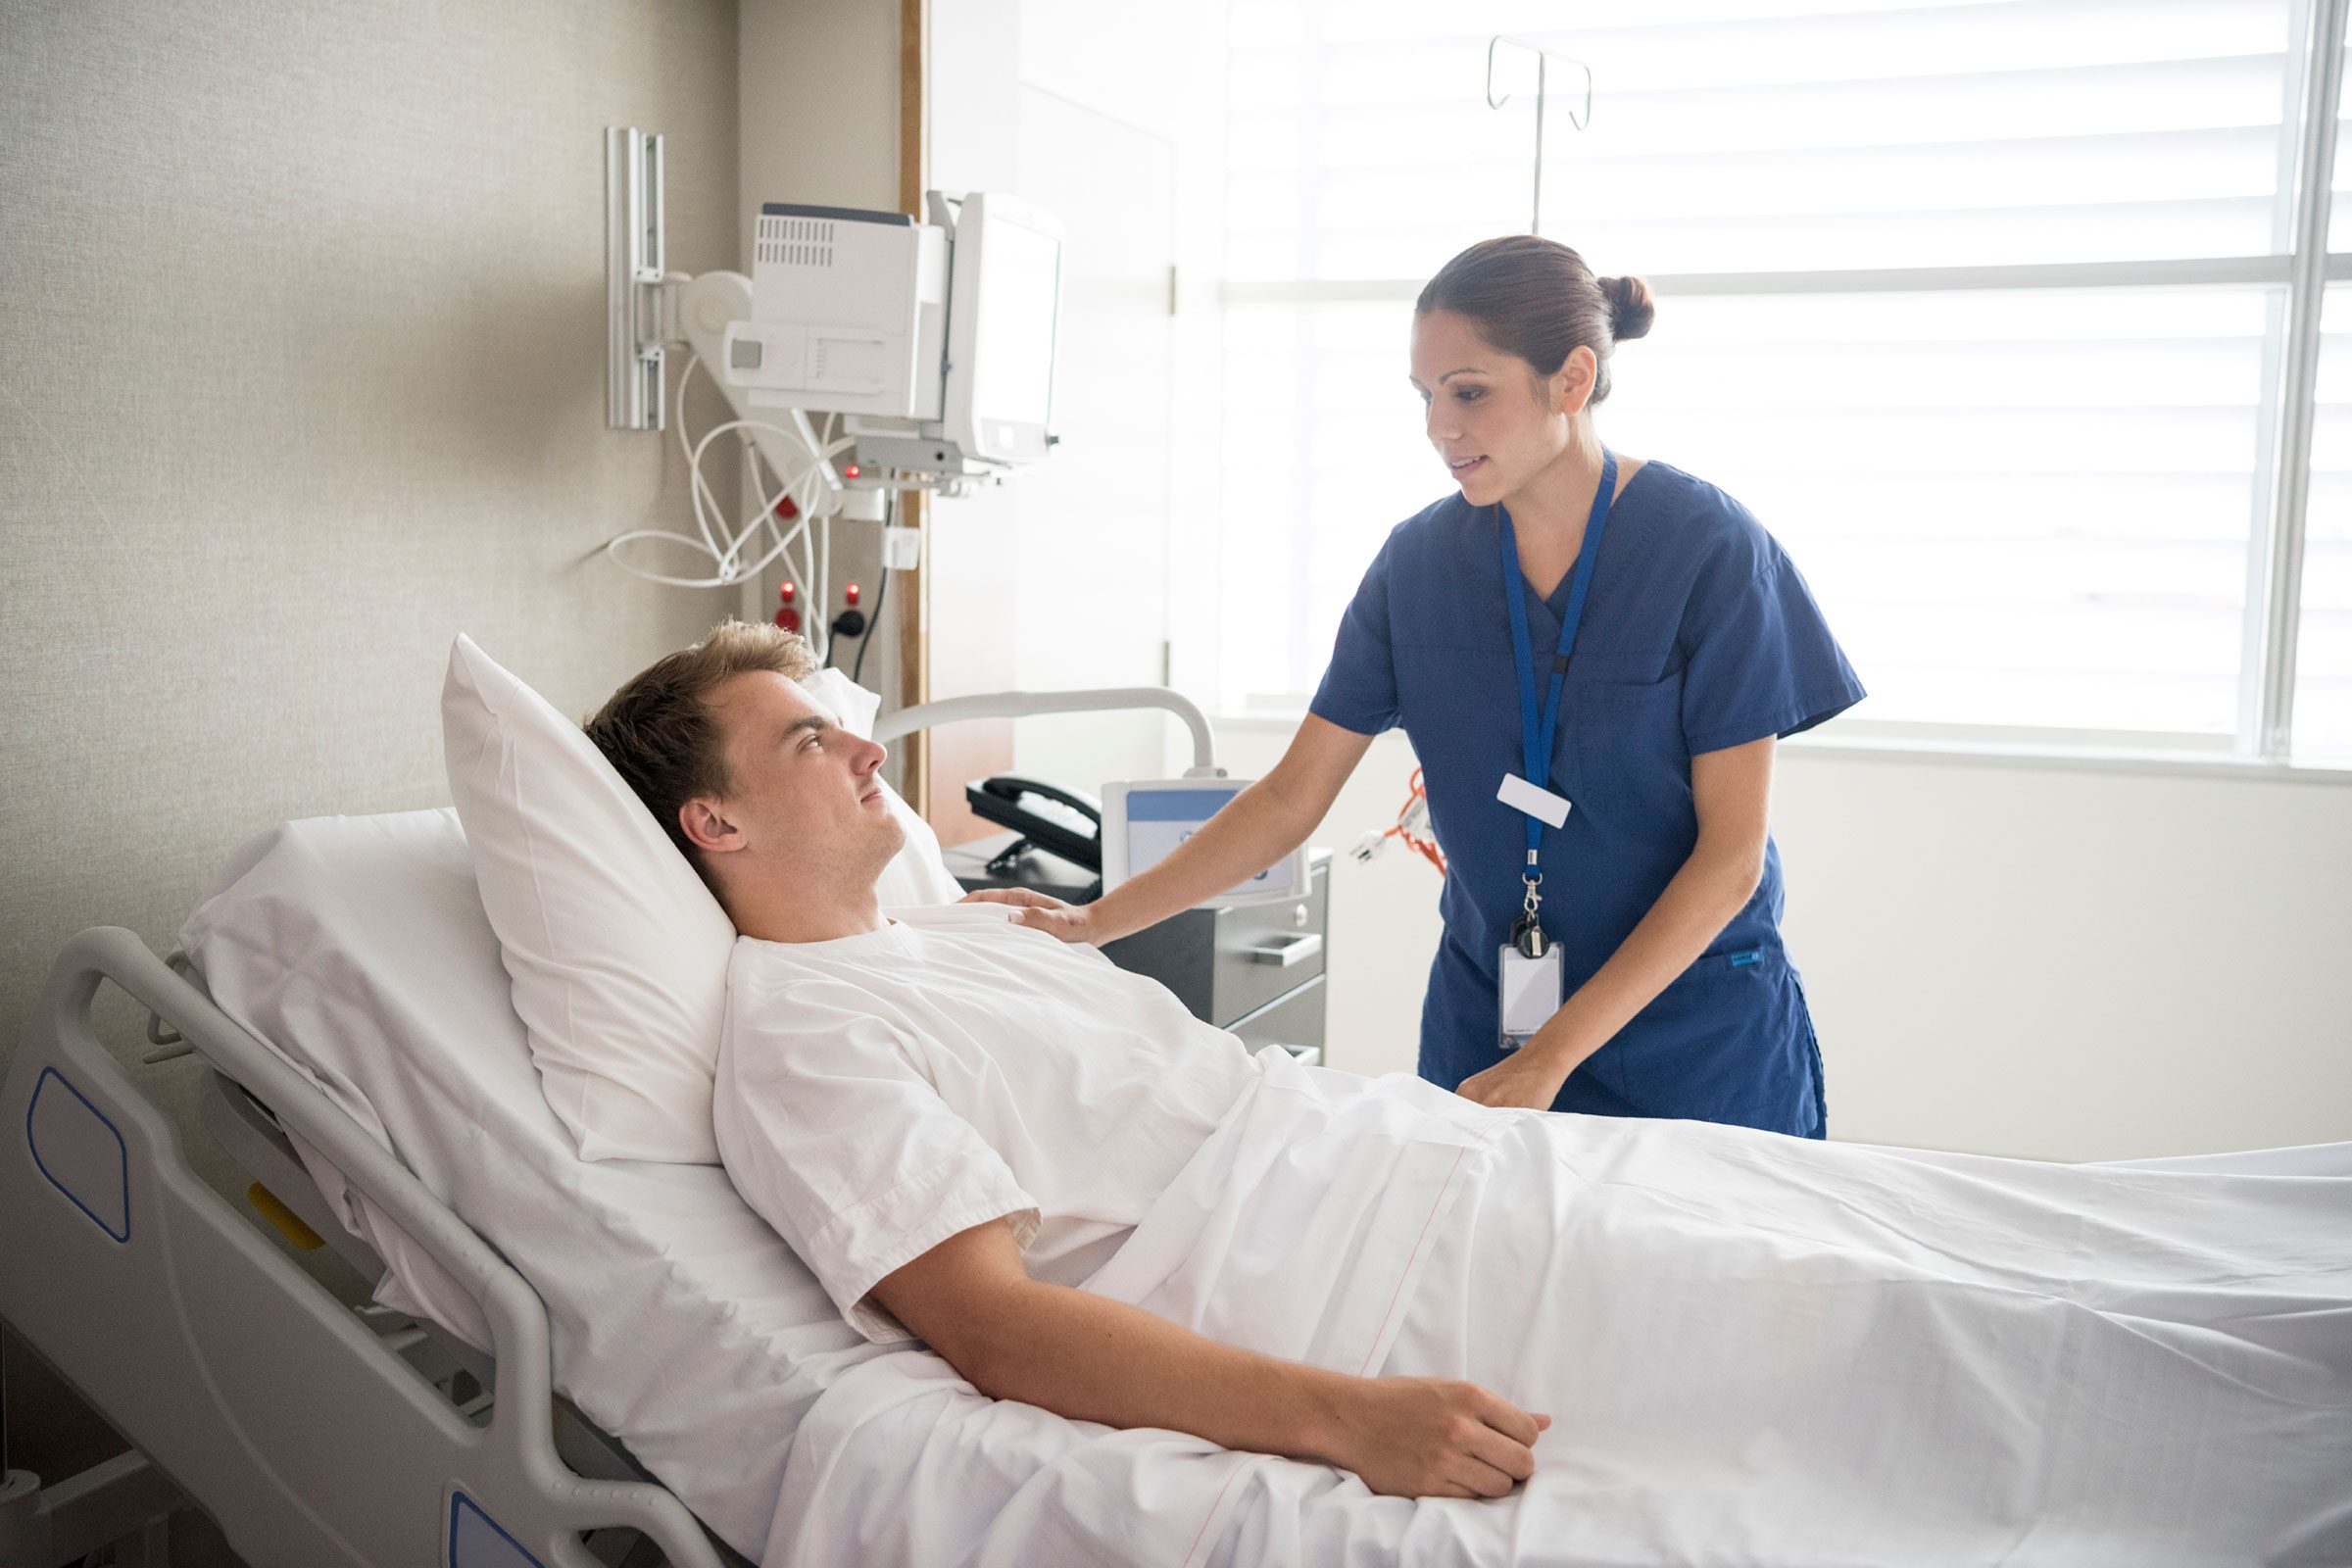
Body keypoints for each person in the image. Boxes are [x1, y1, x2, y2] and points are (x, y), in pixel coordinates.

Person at [581, 623, 2352, 1554]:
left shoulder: (953, 936)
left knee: (1949, 1243)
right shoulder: (800, 1034)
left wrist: (1052, 932)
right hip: (1353, 1276)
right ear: (710, 826)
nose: (859, 741)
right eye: (806, 736)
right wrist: (1350, 1420)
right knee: (1914, 1339)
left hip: (1425, 1164)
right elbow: (994, 1332)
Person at [970, 235, 1866, 1138]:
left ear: (1573, 379)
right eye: (1425, 396)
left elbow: (1730, 858)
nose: (1439, 426)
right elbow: (1290, 798)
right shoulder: (1420, 565)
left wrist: (1554, 1056)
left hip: (1694, 1038)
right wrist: (1095, 922)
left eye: (1470, 391)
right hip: (1491, 1028)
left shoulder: (1706, 549)